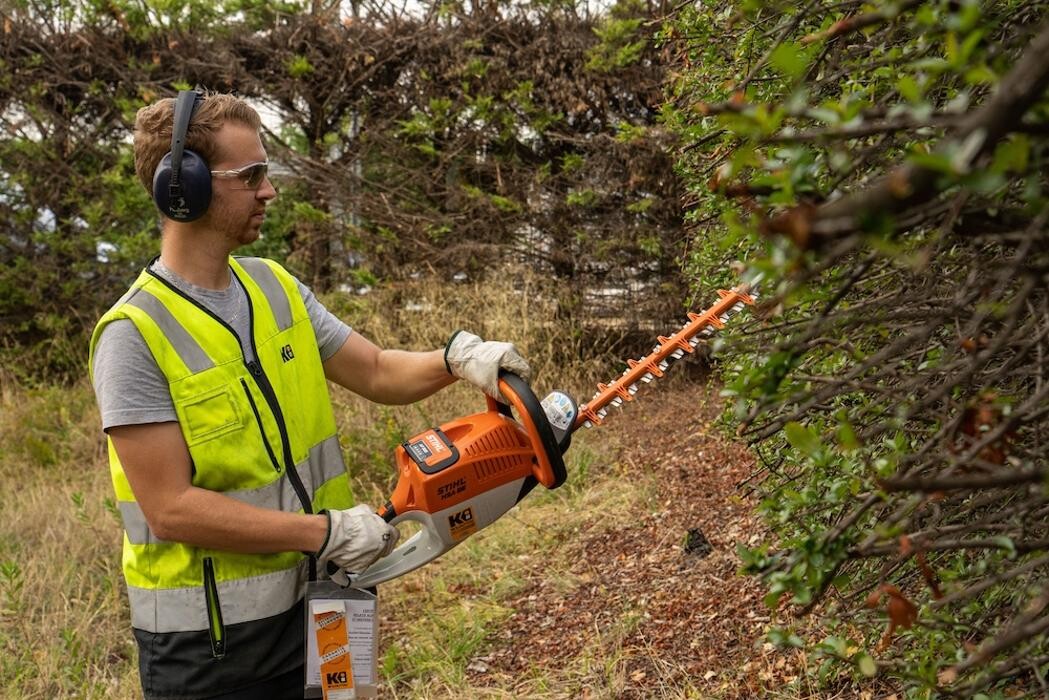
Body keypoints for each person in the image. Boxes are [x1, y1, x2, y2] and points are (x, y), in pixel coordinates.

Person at [89, 89, 532, 700]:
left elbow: (376, 370)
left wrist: (457, 359)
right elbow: (171, 508)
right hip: (215, 649)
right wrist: (321, 532)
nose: (268, 190)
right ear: (183, 187)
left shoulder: (274, 287)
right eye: (252, 175)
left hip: (328, 601)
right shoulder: (133, 335)